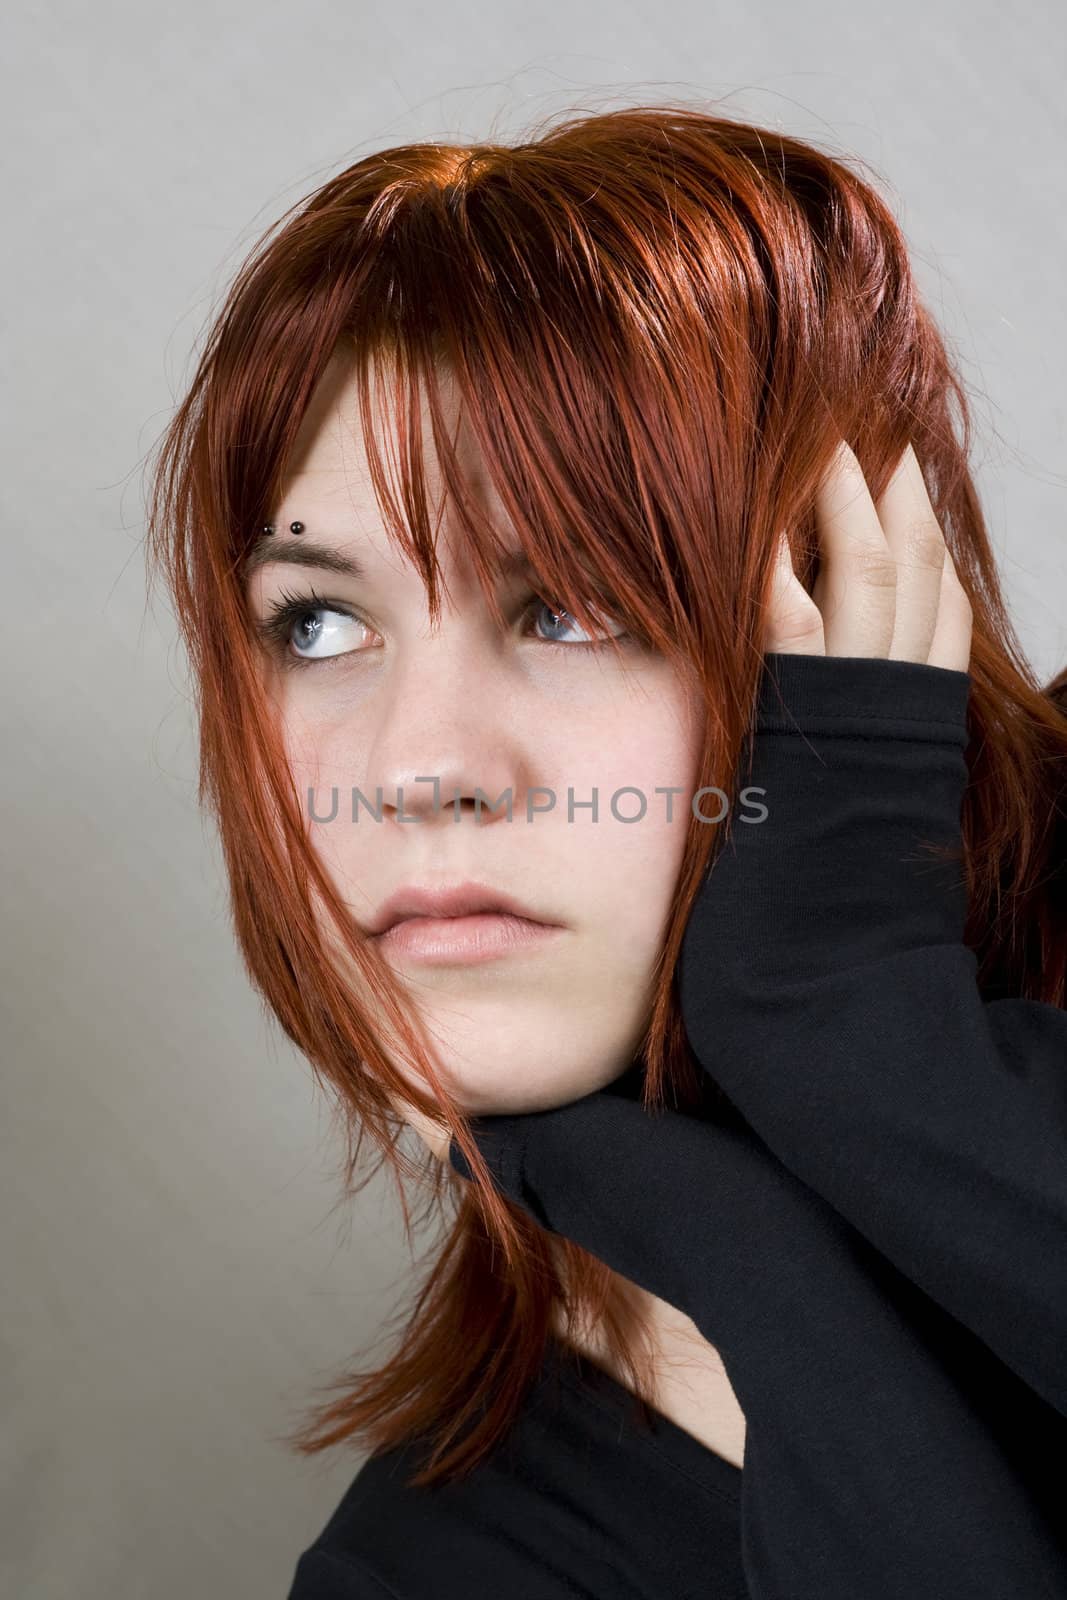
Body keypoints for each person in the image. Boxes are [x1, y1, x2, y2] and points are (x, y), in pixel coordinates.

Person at [143, 103, 1067, 1596]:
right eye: (316, 623)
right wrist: (766, 1276)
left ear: (852, 605)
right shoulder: (441, 1573)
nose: (420, 767)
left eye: (568, 605)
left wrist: (857, 1038)